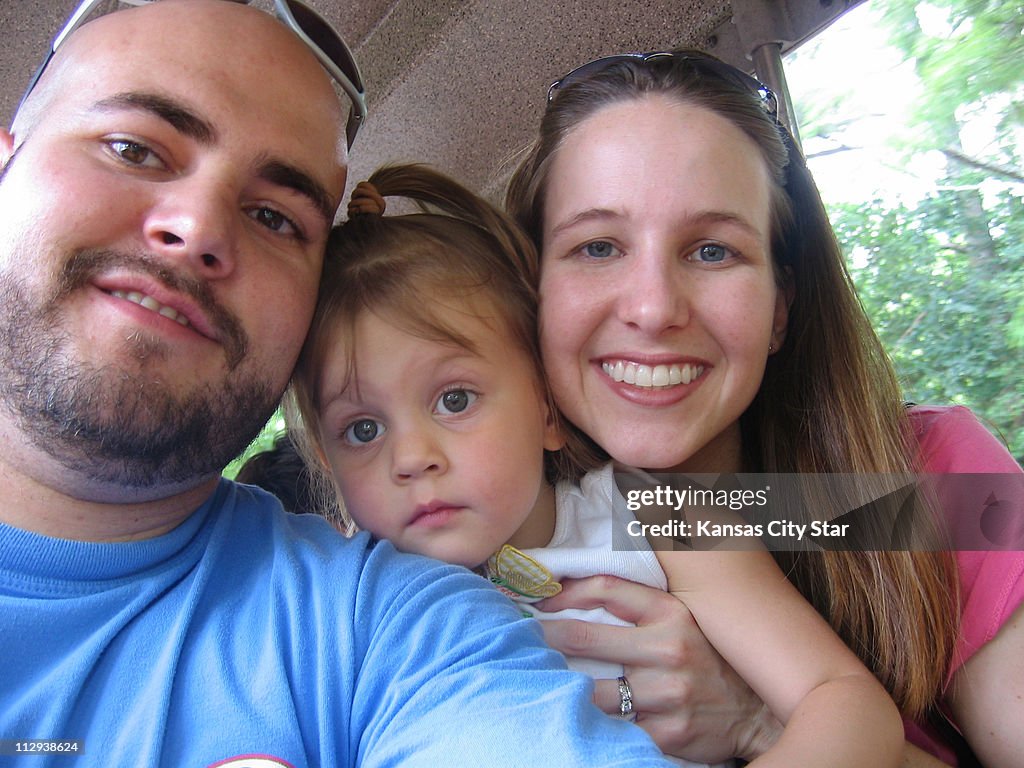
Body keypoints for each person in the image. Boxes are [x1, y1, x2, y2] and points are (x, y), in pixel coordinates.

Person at [0, 2, 679, 764]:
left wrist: (769, 707)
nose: (200, 229)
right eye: (134, 148)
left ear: (549, 402)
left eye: (276, 216)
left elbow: (833, 514)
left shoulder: (396, 619)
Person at [288, 162, 904, 767]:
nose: (413, 458)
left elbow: (844, 702)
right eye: (362, 429)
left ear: (547, 408)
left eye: (454, 400)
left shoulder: (660, 513)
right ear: (327, 461)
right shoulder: (353, 619)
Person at [505, 49, 1024, 767]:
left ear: (780, 307)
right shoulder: (473, 529)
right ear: (530, 294)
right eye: (597, 247)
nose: (654, 308)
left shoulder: (938, 484)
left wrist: (759, 724)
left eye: (713, 251)